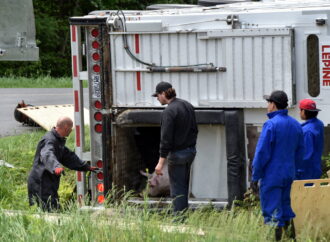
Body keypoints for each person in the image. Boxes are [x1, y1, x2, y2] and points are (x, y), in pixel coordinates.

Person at [251, 90, 304, 241]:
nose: (267, 105)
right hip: (288, 174)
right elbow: (300, 152)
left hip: (272, 176)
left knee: (272, 212)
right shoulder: (295, 124)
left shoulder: (271, 124)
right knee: (285, 208)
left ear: (273, 105)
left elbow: (262, 153)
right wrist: (296, 172)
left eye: (268, 102)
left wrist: (255, 176)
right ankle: (291, 239)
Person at [27, 117, 96, 211]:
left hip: (49, 181)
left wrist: (85, 166)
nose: (71, 131)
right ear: (65, 127)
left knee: (53, 207)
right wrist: (56, 166)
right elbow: (47, 154)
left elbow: (69, 157)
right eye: (71, 128)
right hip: (40, 182)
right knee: (46, 210)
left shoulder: (58, 141)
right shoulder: (50, 140)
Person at [152, 81, 198, 215]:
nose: (157, 98)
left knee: (177, 190)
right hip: (190, 152)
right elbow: (195, 130)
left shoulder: (169, 111)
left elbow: (165, 140)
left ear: (163, 94)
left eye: (157, 95)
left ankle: (179, 220)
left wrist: (160, 163)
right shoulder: (187, 105)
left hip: (177, 155)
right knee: (183, 186)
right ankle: (183, 216)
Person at [296, 99, 324, 180]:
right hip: (315, 168)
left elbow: (305, 155)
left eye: (300, 110)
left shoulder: (306, 131)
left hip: (305, 173)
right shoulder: (318, 124)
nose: (299, 112)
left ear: (304, 111)